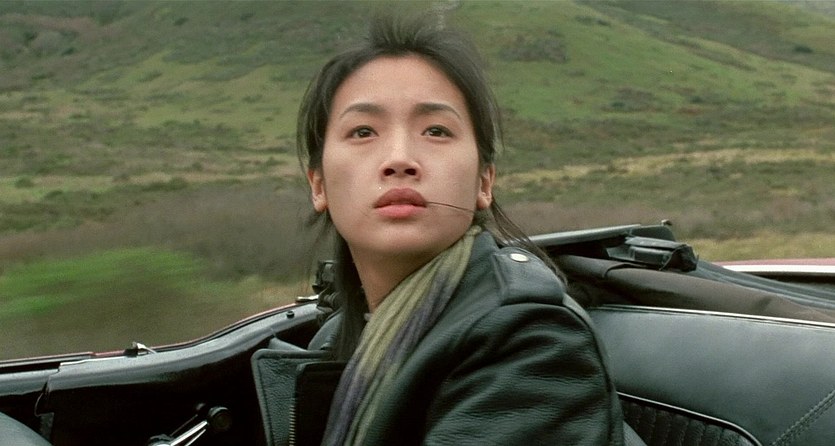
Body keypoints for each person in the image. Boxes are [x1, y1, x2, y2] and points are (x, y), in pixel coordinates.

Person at [295, 13, 624, 446]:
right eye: (363, 131)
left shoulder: (529, 340)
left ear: (484, 182)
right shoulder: (337, 337)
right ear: (318, 184)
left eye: (436, 130)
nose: (399, 158)